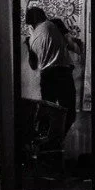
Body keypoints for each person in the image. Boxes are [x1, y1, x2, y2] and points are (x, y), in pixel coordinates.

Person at [24, 7, 76, 139]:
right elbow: (71, 45)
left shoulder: (31, 39)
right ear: (43, 16)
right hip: (62, 73)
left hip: (46, 76)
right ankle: (57, 141)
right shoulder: (55, 23)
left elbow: (33, 65)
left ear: (30, 23)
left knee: (49, 116)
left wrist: (28, 45)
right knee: (69, 114)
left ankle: (49, 143)